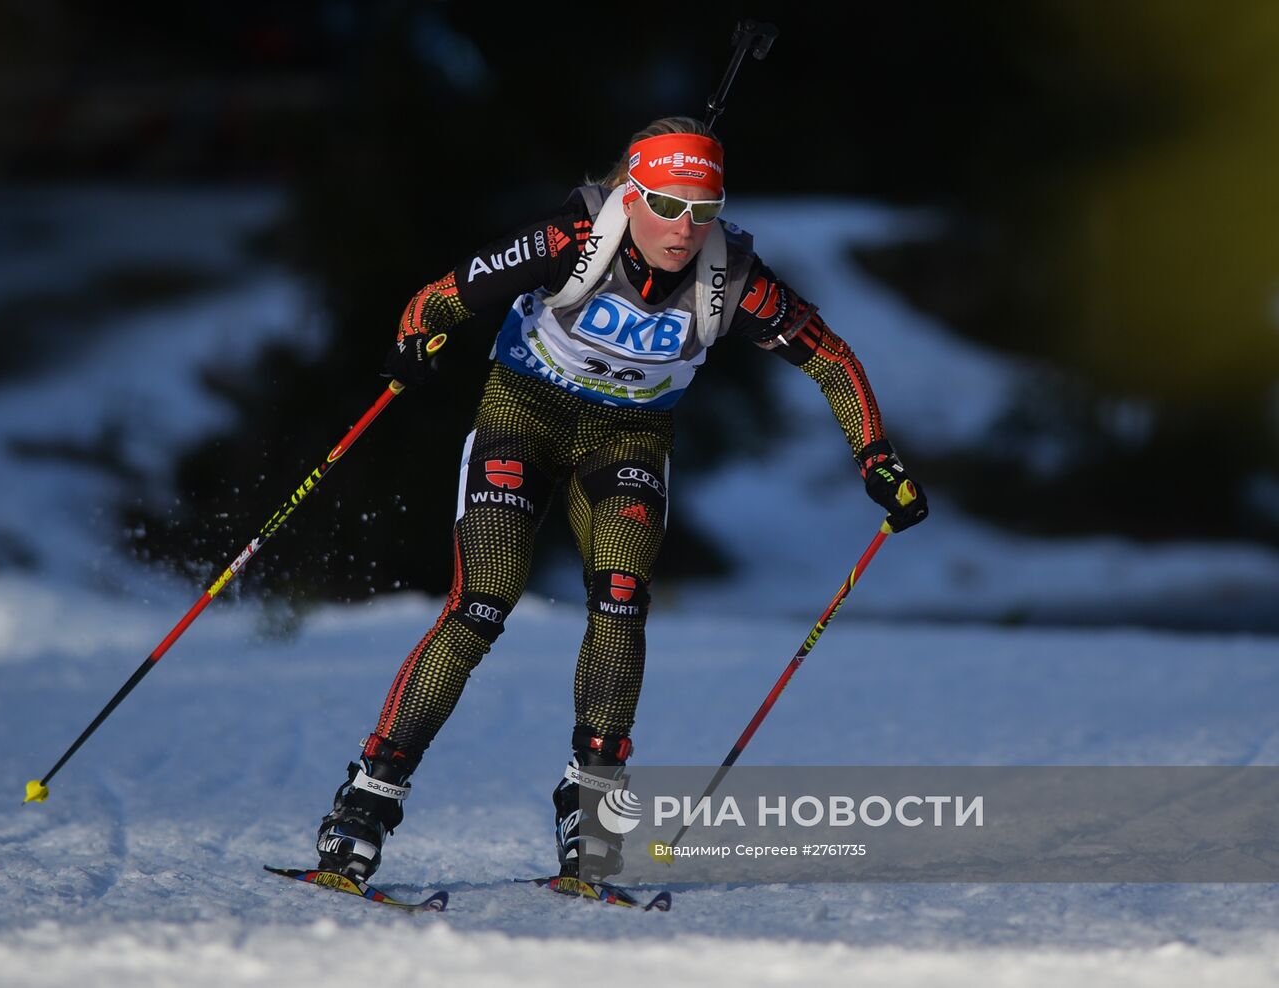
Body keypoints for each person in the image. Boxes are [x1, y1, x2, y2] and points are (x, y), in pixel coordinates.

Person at [315, 116, 928, 883]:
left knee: (621, 599)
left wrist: (875, 455)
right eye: (666, 206)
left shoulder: (732, 276)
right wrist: (415, 341)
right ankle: (369, 798)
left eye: (702, 210)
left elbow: (831, 360)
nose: (683, 228)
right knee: (485, 599)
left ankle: (593, 810)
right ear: (628, 195)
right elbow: (445, 295)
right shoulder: (570, 240)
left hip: (629, 438)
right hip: (524, 414)